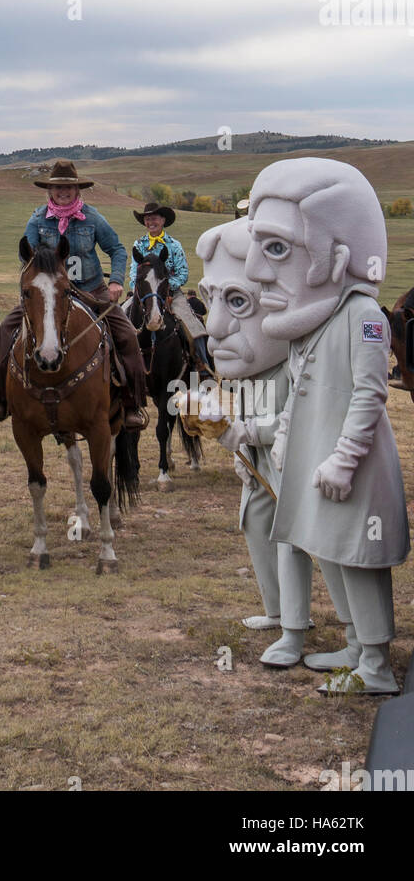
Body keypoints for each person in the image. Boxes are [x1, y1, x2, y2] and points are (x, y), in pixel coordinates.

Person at [246, 158, 409, 693]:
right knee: (334, 552)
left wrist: (343, 458)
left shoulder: (363, 314)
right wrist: (286, 435)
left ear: (336, 255)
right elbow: (304, 393)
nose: (257, 270)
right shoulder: (321, 320)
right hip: (318, 459)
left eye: (277, 248)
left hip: (352, 467)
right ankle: (357, 644)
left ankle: (375, 669)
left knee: (359, 560)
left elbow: (370, 393)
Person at [196, 218, 313, 651]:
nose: (215, 325)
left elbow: (290, 419)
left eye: (237, 301)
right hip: (258, 461)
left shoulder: (293, 367)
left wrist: (240, 432)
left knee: (291, 532)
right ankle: (278, 609)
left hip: (288, 461)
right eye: (211, 299)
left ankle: (300, 627)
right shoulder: (251, 371)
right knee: (256, 521)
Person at [0, 159, 148, 428]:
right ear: (50, 190)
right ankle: (0, 398)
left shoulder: (93, 218)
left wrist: (116, 281)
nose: (63, 192)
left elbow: (117, 249)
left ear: (77, 190)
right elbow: (25, 255)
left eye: (68, 187)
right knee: (5, 332)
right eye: (58, 187)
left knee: (127, 335)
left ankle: (132, 404)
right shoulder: (37, 220)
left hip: (91, 291)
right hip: (49, 295)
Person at [128, 203, 213, 376]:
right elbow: (133, 272)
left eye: (155, 218)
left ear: (163, 220)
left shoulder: (174, 245)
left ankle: (202, 365)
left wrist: (166, 290)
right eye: (147, 218)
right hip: (143, 294)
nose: (151, 221)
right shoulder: (138, 245)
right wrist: (138, 290)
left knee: (192, 324)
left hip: (171, 294)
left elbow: (183, 273)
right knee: (120, 317)